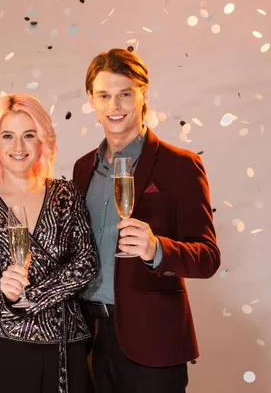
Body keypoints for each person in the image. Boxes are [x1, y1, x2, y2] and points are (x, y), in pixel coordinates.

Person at [73, 48, 221, 393]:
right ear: (91, 101)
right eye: (104, 96)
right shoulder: (83, 168)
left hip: (153, 343)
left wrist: (157, 249)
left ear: (144, 95)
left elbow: (208, 257)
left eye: (125, 94)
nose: (115, 106)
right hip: (87, 338)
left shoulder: (180, 165)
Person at [0, 93, 99, 393]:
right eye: (8, 135)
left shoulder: (67, 195)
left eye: (29, 135)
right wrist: (2, 293)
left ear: (42, 141)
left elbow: (86, 263)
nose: (18, 147)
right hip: (7, 350)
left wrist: (32, 297)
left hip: (66, 346)